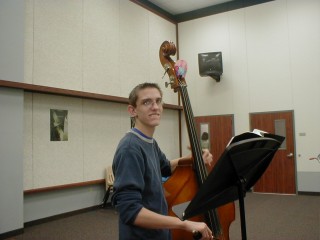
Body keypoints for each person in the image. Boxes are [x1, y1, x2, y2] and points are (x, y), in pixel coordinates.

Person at [112, 82, 214, 240]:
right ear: (132, 110)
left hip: (159, 232)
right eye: (147, 102)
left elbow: (165, 167)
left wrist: (193, 159)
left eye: (158, 101)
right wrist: (184, 223)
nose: (155, 107)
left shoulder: (150, 142)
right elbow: (130, 211)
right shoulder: (130, 148)